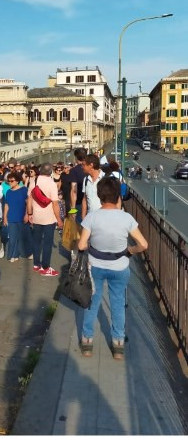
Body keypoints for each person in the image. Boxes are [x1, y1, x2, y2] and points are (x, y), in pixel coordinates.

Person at [77, 177, 148, 360]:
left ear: (100, 197)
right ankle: (118, 344)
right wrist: (129, 251)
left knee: (92, 302)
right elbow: (143, 244)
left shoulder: (91, 217)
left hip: (96, 266)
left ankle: (87, 342)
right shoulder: (126, 218)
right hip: (120, 267)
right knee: (117, 304)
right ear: (119, 197)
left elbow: (82, 245)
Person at [27, 163, 62, 276]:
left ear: (40, 170)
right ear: (51, 172)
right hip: (49, 218)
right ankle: (45, 267)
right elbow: (55, 204)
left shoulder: (34, 181)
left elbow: (29, 199)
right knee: (47, 243)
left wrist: (29, 213)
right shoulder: (52, 184)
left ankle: (36, 264)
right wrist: (59, 219)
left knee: (36, 241)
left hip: (36, 216)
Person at [2, 171, 28, 262]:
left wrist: (27, 214)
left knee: (22, 237)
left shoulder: (24, 190)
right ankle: (12, 255)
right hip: (11, 217)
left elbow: (27, 203)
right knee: (12, 238)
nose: (10, 182)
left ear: (17, 181)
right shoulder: (8, 192)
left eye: (12, 181)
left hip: (21, 217)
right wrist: (5, 217)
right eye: (8, 181)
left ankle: (26, 253)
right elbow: (6, 205)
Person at [81, 154, 104, 221]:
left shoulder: (105, 178)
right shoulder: (86, 180)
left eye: (84, 165)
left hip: (104, 219)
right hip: (90, 218)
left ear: (91, 165)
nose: (82, 167)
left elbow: (116, 200)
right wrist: (83, 218)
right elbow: (85, 199)